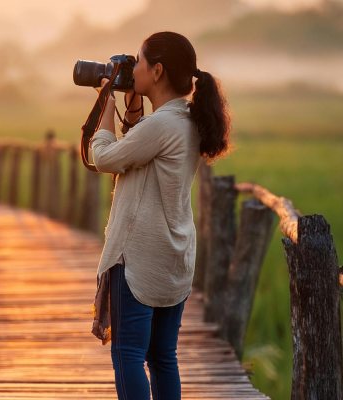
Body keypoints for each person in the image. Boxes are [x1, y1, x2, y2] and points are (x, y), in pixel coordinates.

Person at [90, 31, 230, 400]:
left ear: (157, 71)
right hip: (174, 254)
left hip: (139, 258)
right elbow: (140, 150)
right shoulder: (186, 119)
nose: (132, 69)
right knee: (162, 356)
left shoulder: (163, 124)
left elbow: (104, 157)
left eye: (137, 61)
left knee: (128, 354)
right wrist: (132, 110)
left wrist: (106, 103)